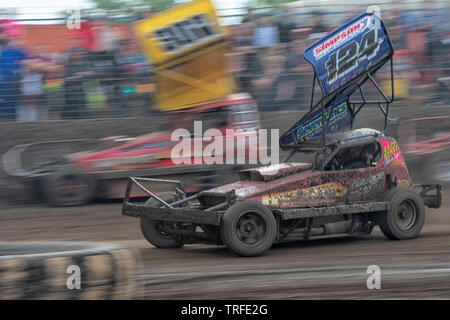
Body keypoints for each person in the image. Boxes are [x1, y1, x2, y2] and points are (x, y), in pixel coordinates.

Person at [0, 24, 27, 120]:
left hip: (10, 93)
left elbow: (30, 60)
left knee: (10, 120)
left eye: (3, 33)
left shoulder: (16, 51)